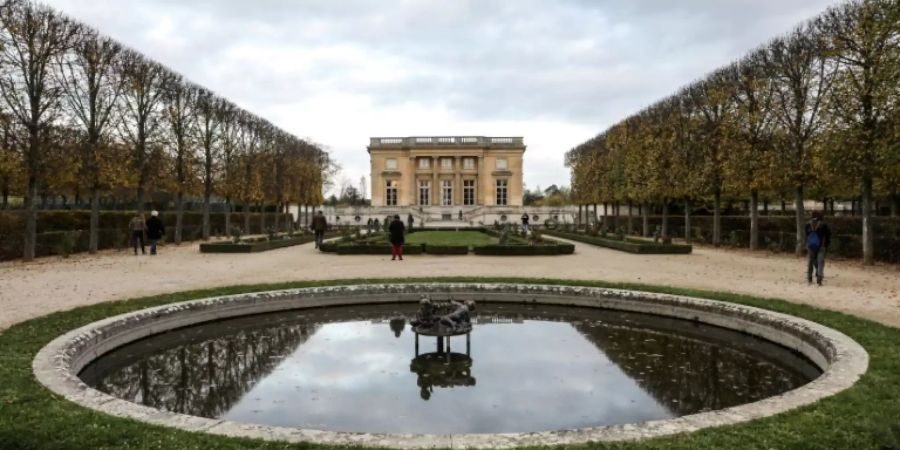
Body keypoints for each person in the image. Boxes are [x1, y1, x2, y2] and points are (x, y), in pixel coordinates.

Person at [804, 210, 831, 286]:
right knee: (820, 262)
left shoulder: (808, 224)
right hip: (821, 246)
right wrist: (826, 245)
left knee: (811, 262)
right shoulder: (824, 225)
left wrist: (806, 244)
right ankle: (819, 278)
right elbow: (828, 236)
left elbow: (806, 235)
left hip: (811, 246)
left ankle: (809, 278)